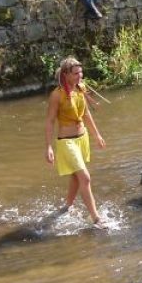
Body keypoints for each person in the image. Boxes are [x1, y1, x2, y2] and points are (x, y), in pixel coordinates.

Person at [45, 57, 107, 227]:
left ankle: (67, 206)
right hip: (67, 142)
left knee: (75, 176)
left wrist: (97, 135)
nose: (80, 75)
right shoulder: (57, 95)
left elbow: (86, 114)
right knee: (85, 178)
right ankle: (96, 218)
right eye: (76, 73)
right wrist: (49, 146)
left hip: (82, 138)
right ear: (66, 75)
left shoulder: (81, 89)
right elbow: (50, 121)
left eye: (81, 72)